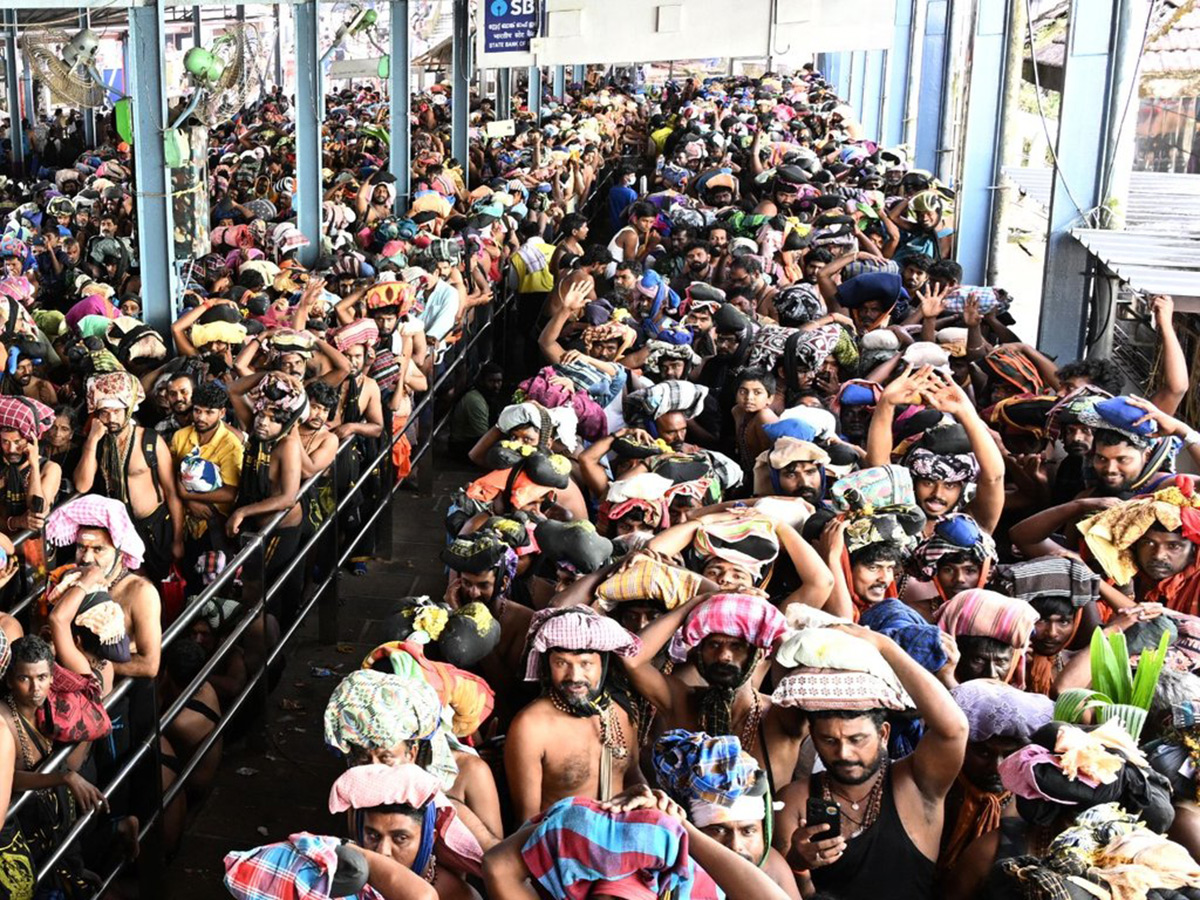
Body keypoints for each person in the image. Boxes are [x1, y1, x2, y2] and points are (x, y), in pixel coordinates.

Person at [774, 624, 968, 900]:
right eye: (829, 741)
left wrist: (884, 646)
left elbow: (954, 730)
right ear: (813, 739)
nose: (844, 753)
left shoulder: (916, 784)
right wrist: (798, 863)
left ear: (884, 734)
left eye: (857, 739)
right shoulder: (794, 801)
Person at [505, 607, 643, 820]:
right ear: (547, 665)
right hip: (560, 846)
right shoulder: (531, 726)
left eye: (586, 664)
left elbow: (632, 776)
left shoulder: (622, 711)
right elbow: (526, 820)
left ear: (603, 664)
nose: (575, 676)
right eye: (561, 663)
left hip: (622, 840)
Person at [75, 370, 185, 580]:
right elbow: (82, 485)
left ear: (129, 409)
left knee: (160, 583)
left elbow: (172, 492)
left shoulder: (150, 441)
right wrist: (91, 441)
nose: (111, 418)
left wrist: (178, 539)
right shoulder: (98, 444)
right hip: (118, 531)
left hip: (154, 529)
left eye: (117, 411)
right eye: (104, 412)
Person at [42, 494, 162, 678]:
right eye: (82, 547)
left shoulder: (141, 593)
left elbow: (149, 666)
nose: (87, 558)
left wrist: (81, 658)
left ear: (121, 554)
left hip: (121, 691)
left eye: (98, 549)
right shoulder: (71, 580)